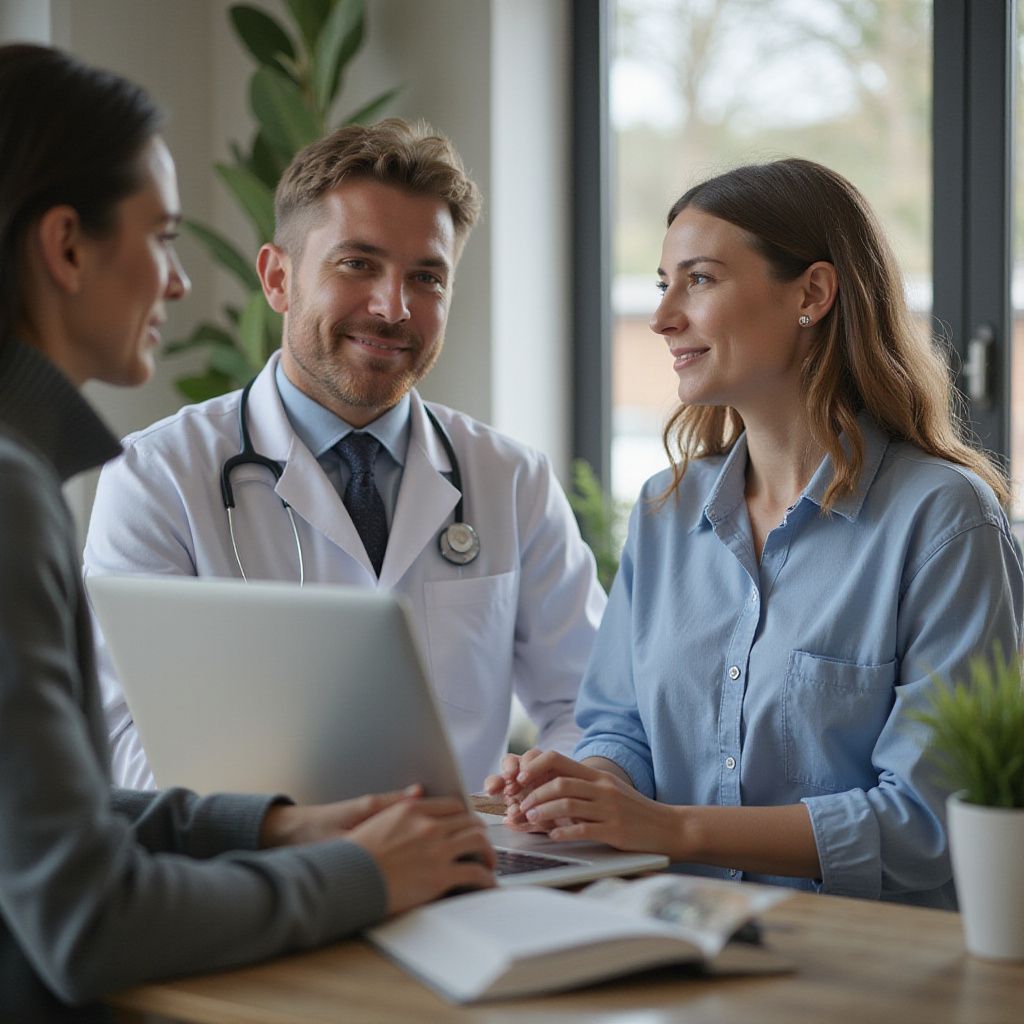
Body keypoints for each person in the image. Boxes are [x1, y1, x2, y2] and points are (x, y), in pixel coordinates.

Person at [0, 43, 494, 1022]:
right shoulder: (16, 492)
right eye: (165, 236)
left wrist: (272, 826)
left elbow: (50, 818)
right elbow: (87, 914)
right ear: (65, 247)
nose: (180, 283)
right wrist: (360, 874)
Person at [486, 158, 1024, 909]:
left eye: (699, 280)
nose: (664, 316)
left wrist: (671, 829)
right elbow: (620, 730)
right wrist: (586, 786)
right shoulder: (664, 511)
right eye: (662, 284)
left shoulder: (945, 522)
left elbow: (927, 821)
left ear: (812, 294)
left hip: (867, 968)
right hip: (675, 939)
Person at [84, 118, 606, 794]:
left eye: (427, 277)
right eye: (358, 264)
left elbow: (590, 706)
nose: (394, 308)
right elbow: (124, 742)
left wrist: (553, 780)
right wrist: (295, 835)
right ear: (278, 278)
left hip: (465, 874)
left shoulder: (510, 479)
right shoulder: (157, 477)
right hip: (257, 879)